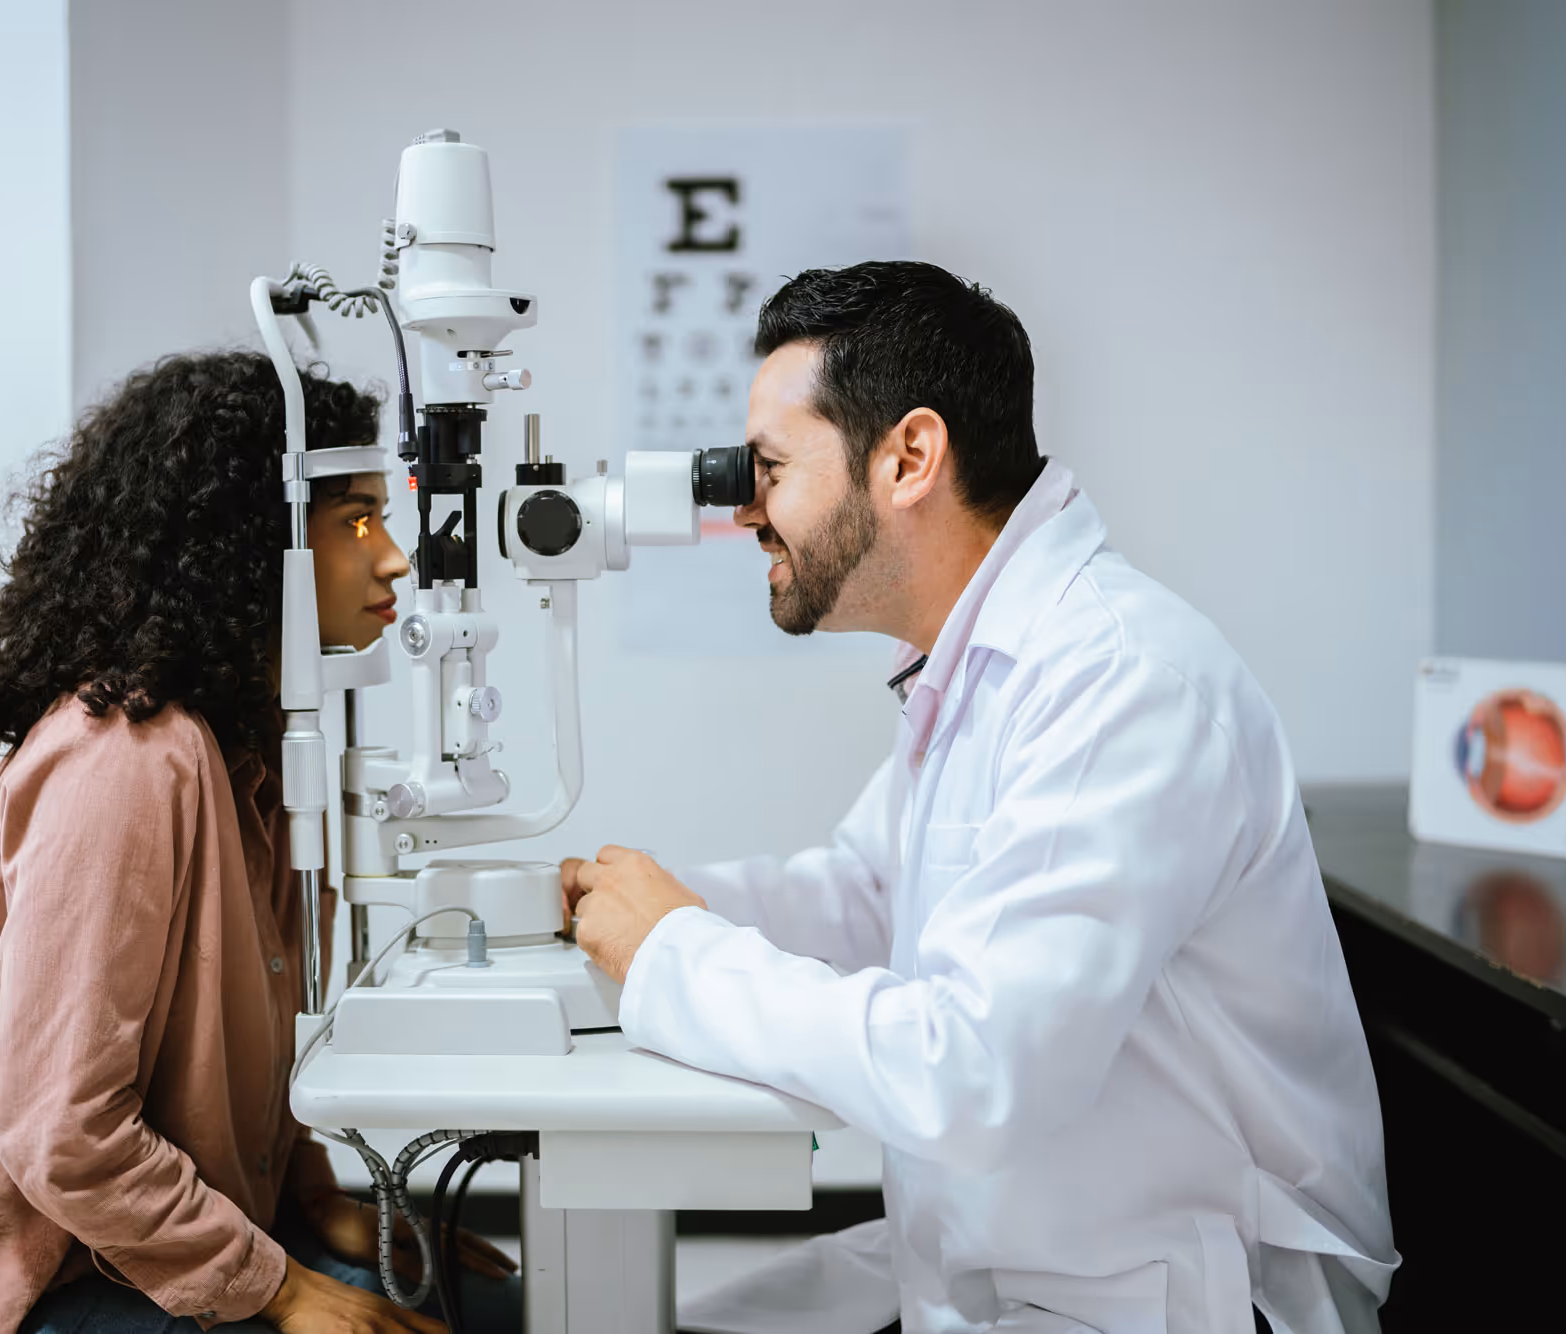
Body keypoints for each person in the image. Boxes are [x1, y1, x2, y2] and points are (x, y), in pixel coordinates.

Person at [566, 263, 1399, 1334]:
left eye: (767, 468)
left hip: (1176, 1293)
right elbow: (870, 894)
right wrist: (634, 914)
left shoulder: (1115, 678)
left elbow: (975, 1072)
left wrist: (673, 948)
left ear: (907, 457)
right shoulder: (983, 660)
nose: (743, 510)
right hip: (1020, 1250)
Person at [0, 351, 520, 1334]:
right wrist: (280, 1285)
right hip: (36, 1292)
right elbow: (63, 1129)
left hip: (144, 1246)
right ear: (248, 542)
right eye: (356, 521)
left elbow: (213, 1074)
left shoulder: (251, 758)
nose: (393, 558)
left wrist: (317, 1201)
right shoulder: (131, 758)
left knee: (490, 1298)